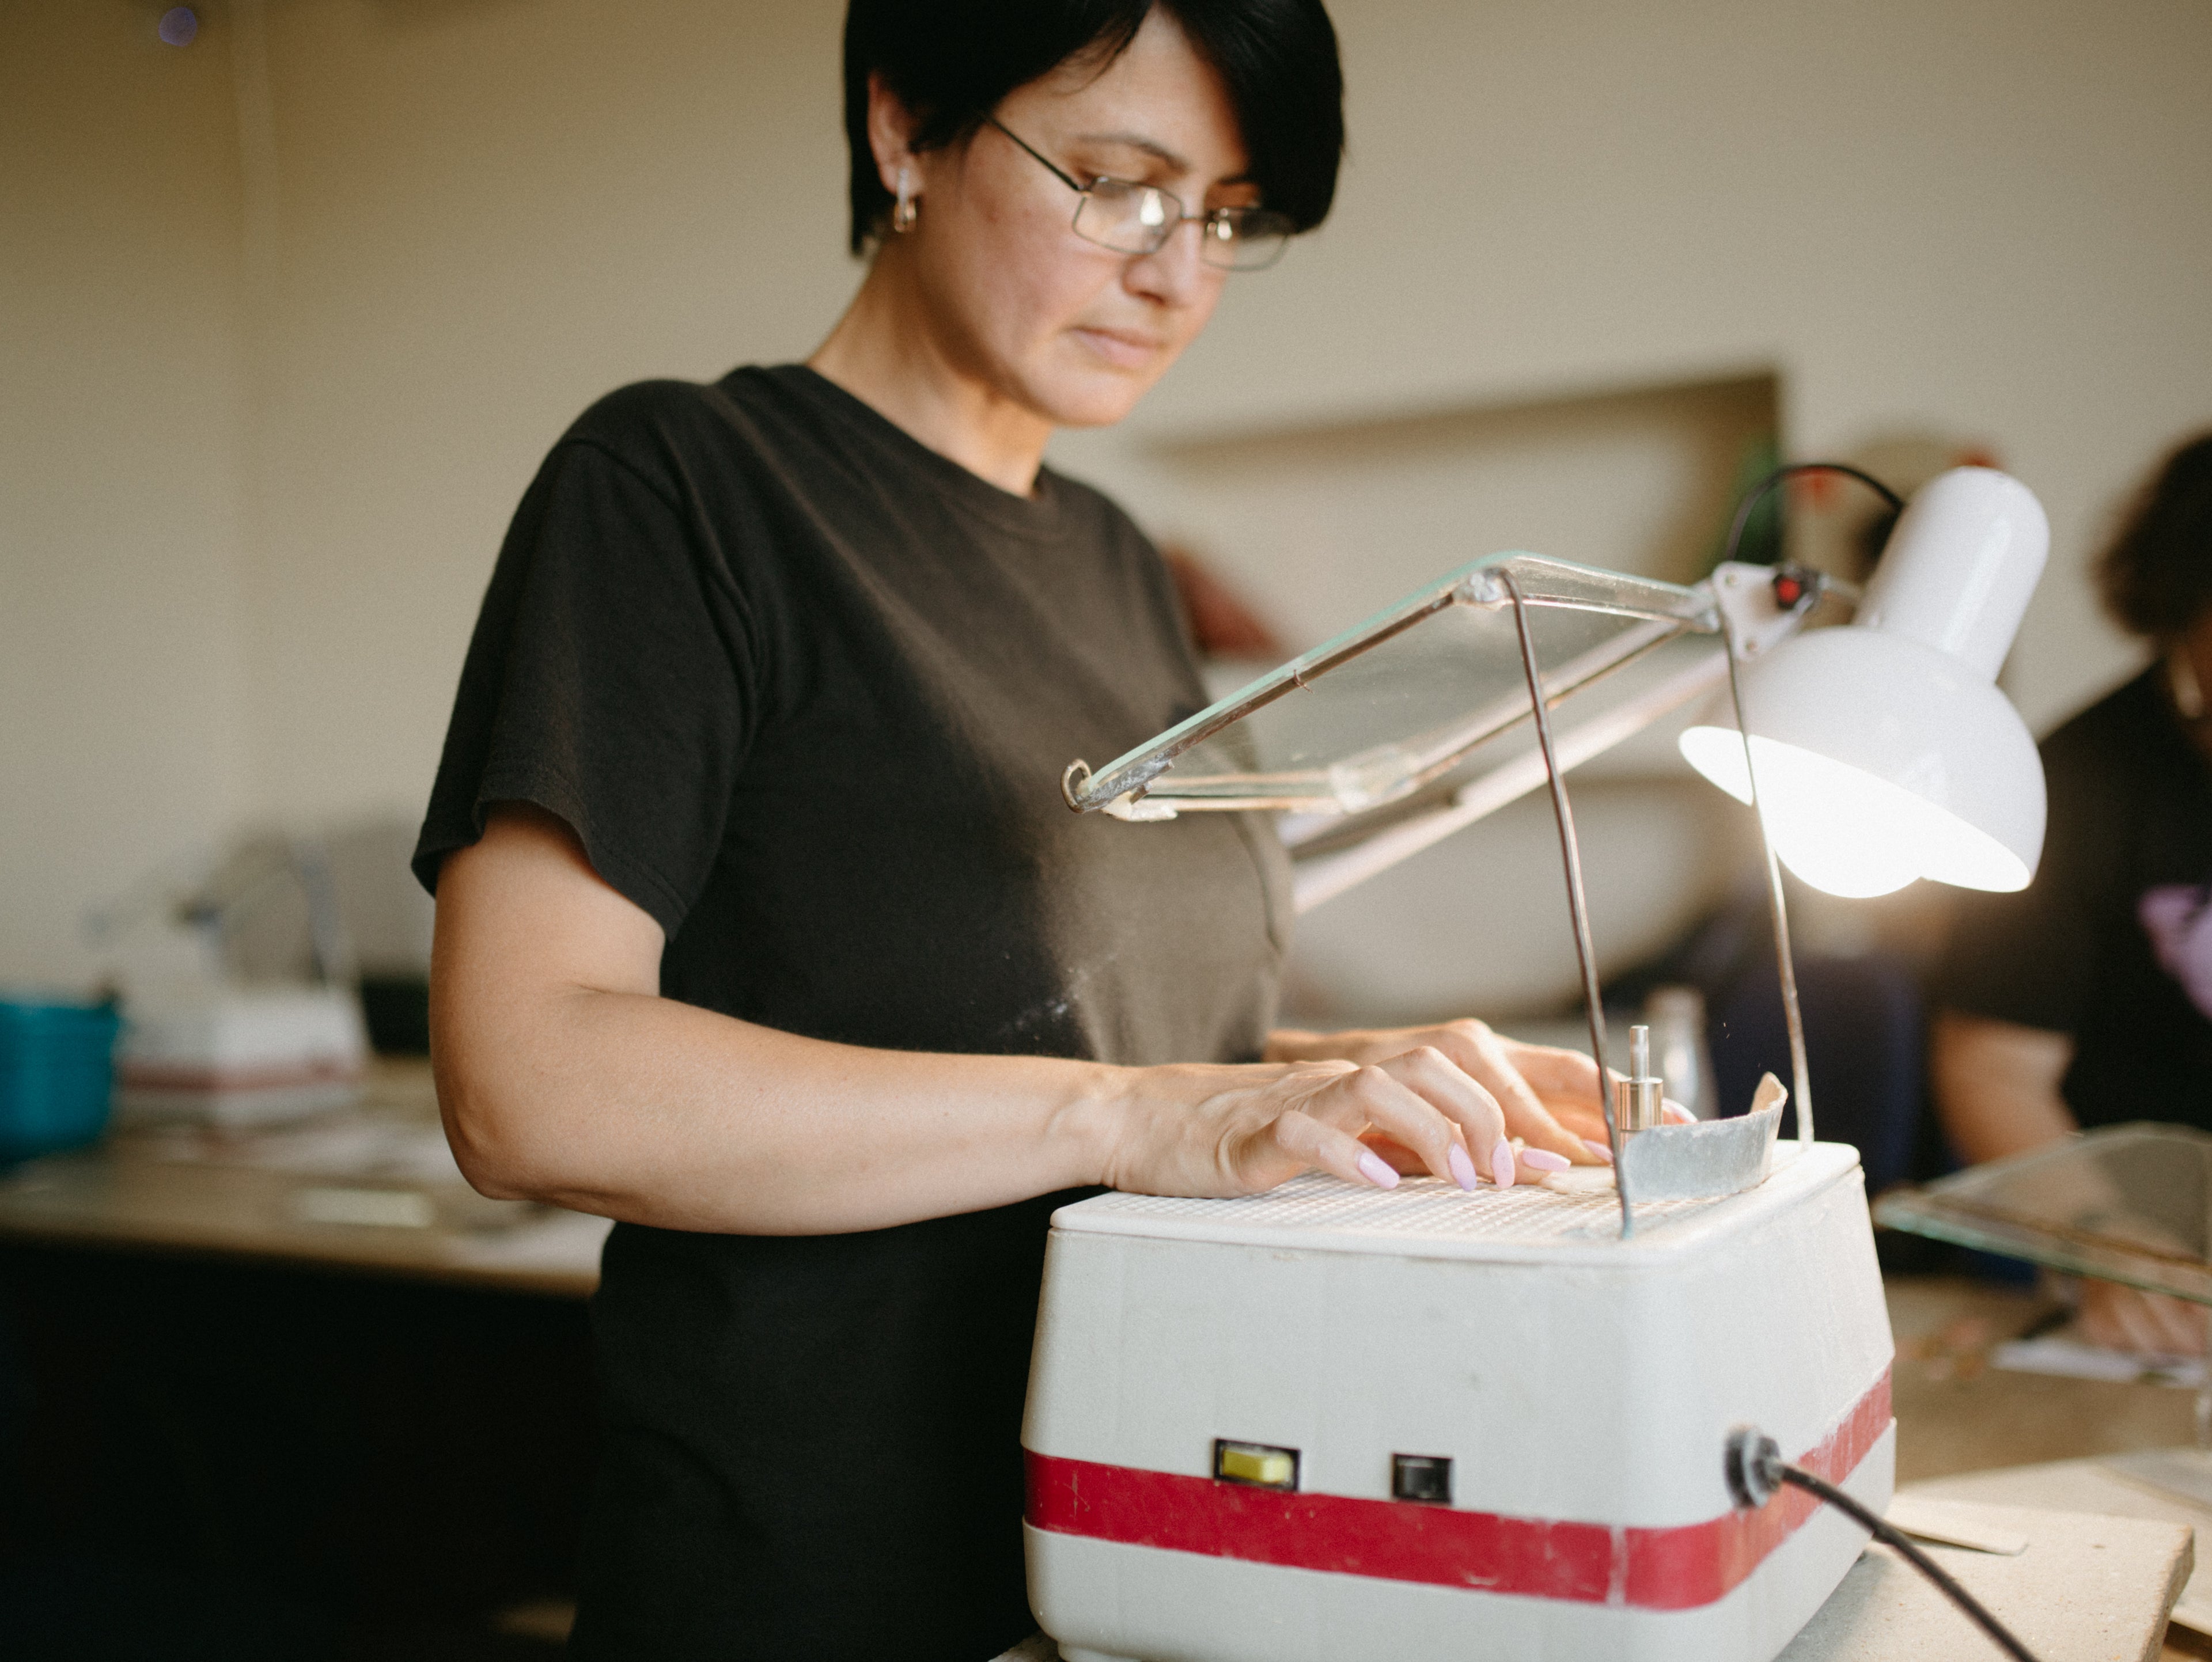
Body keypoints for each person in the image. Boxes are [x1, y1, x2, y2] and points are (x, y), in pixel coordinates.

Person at [414, 3, 1615, 1656]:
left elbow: (1103, 1034)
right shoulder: (684, 487)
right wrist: (1142, 1110)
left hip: (1148, 1559)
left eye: (1225, 216)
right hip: (820, 1585)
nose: (1177, 276)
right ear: (904, 128)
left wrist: (1360, 1079)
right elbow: (525, 1081)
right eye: (1118, 184)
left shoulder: (1117, 560)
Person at [1932, 431, 2212, 1356]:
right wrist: (2105, 1238)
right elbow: (1993, 1066)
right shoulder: (2076, 781)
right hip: (2162, 1285)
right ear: (2181, 609)